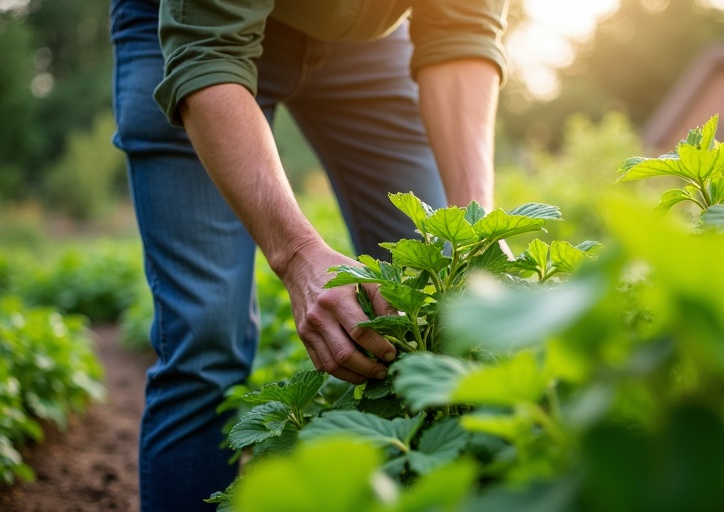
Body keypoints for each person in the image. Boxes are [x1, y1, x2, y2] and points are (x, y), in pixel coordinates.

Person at [110, 0, 508, 510]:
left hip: (363, 41)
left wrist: (477, 229)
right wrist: (298, 255)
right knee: (205, 334)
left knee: (435, 292)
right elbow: (206, 51)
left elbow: (462, 30)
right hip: (192, 28)